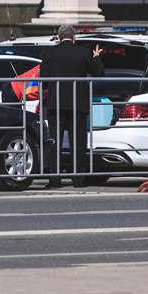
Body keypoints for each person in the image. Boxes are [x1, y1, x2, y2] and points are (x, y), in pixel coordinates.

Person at [39, 25, 105, 187]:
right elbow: (99, 73)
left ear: (59, 38)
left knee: (55, 142)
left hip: (56, 104)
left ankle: (54, 179)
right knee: (78, 142)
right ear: (74, 38)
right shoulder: (83, 52)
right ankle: (78, 180)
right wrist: (96, 57)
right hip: (78, 104)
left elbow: (44, 80)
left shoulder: (49, 52)